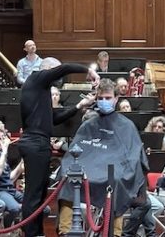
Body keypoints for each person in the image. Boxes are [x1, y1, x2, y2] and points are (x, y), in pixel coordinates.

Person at [18, 57, 99, 237]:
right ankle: (31, 234)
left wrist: (79, 105)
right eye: (55, 71)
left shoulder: (41, 89)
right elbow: (65, 68)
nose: (58, 76)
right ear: (48, 69)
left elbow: (53, 119)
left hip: (39, 143)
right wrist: (88, 70)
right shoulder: (37, 78)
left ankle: (37, 232)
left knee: (39, 194)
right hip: (35, 143)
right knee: (34, 195)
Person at [58, 78, 149, 237]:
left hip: (113, 174)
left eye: (108, 98)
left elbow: (133, 158)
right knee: (67, 176)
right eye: (100, 98)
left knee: (118, 181)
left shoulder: (126, 126)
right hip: (88, 170)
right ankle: (65, 230)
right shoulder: (88, 124)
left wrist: (123, 171)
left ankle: (115, 233)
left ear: (116, 99)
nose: (104, 101)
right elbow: (75, 151)